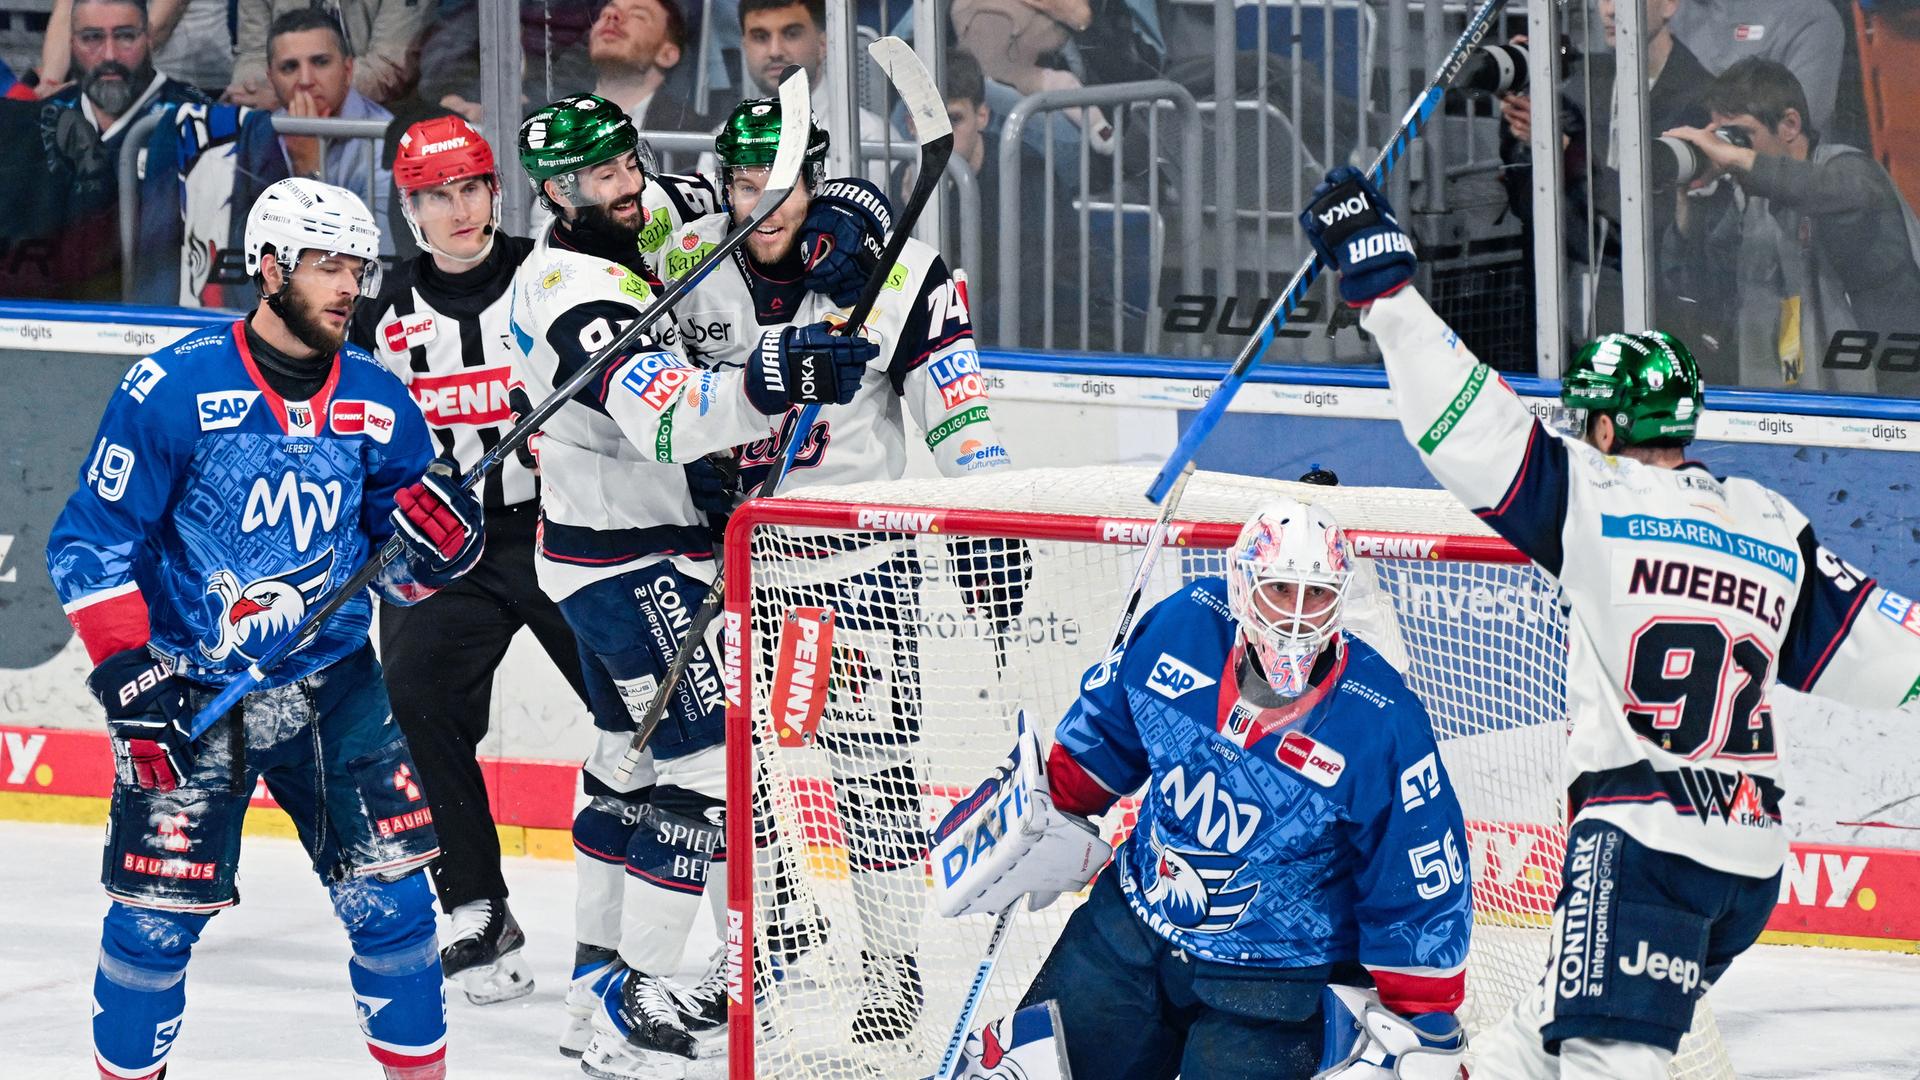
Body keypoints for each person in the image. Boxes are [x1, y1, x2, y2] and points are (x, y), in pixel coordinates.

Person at [1301, 163, 1920, 1078]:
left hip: (1641, 838)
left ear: (1601, 431)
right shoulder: (1768, 522)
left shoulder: (1594, 496)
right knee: (1530, 1041)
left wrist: (1385, 291)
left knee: (1604, 1057)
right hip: (1748, 861)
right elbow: (1890, 656)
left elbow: (1467, 426)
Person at [44, 177, 486, 1080]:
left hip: (337, 688)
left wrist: (438, 553)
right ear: (270, 265)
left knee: (393, 906)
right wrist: (130, 672)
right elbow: (90, 542)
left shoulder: (380, 400)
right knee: (152, 923)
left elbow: (400, 575)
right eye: (328, 267)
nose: (348, 288)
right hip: (191, 691)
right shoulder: (172, 387)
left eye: (358, 270)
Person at [505, 92, 885, 1077]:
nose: (629, 186)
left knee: (623, 769)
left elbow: (761, 210)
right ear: (556, 191)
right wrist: (780, 369)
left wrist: (845, 220)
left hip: (620, 546)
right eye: (603, 177)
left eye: (629, 163)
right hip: (622, 560)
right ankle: (642, 997)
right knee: (709, 768)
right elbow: (666, 420)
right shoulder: (572, 293)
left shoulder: (645, 217)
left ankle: (595, 993)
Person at [670, 95, 1022, 1049]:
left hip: (853, 567)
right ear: (722, 181)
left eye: (786, 183)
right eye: (748, 183)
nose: (767, 203)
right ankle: (764, 950)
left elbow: (960, 412)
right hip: (730, 566)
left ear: (817, 177)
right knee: (727, 775)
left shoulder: (893, 269)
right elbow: (601, 240)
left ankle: (892, 967)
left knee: (871, 783)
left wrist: (990, 513)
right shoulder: (684, 259)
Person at [932, 501, 1473, 1080]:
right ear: (1242, 586)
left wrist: (1423, 1019)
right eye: (1279, 589)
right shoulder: (1184, 626)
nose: (1295, 616)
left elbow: (1416, 880)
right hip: (1130, 931)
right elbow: (1110, 733)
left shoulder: (1382, 720)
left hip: (1276, 984)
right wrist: (1052, 801)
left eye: (1314, 595)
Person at [347, 115, 593, 1009]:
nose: (457, 209)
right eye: (434, 195)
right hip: (443, 553)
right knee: (415, 702)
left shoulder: (556, 278)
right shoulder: (382, 320)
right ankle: (477, 907)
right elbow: (361, 442)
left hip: (566, 530)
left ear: (497, 189)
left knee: (642, 711)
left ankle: (723, 908)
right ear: (407, 209)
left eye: (470, 187)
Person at [1661, 58, 1920, 395]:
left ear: (1790, 125)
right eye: (1718, 136)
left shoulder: (1849, 172)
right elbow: (1697, 300)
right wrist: (1689, 210)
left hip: (1887, 397)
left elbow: (1837, 195)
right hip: (1783, 402)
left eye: (1738, 135)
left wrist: (1743, 161)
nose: (1724, 150)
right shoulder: (1746, 203)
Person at [1496, 0, 1712, 337]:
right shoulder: (1583, 82)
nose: (1610, 10)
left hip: (1655, 317)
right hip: (1566, 308)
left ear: (1669, 5)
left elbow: (1657, 222)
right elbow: (1526, 205)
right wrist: (1520, 120)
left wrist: (1568, 154)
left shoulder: (1700, 99)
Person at [34, 0, 206, 297]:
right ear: (72, 43)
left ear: (149, 37)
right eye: (92, 38)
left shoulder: (199, 120)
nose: (110, 55)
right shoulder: (42, 121)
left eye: (125, 36)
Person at [255, 6, 395, 253]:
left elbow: (375, 252)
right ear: (271, 79)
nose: (306, 80)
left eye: (320, 62)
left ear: (348, 70)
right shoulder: (256, 135)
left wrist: (309, 169)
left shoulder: (386, 141)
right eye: (289, 67)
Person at [699, 0, 888, 182]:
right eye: (760, 37)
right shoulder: (723, 137)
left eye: (791, 34)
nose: (775, 51)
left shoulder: (869, 137)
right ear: (745, 46)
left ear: (823, 44)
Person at [1668, 0, 1845, 132]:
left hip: (1765, 170)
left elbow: (1801, 123)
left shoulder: (1810, 15)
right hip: (1671, 158)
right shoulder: (1669, 10)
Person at [226, 0, 427, 108]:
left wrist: (288, 97)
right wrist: (250, 92)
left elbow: (387, 67)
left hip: (381, 124)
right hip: (280, 117)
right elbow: (254, 54)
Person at [590, 0, 711, 133]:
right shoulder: (565, 115)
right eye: (606, 12)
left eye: (638, 15)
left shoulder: (695, 137)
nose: (612, 15)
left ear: (666, 55)